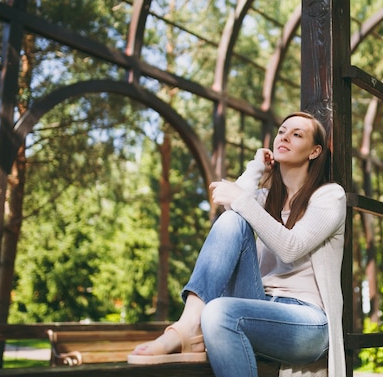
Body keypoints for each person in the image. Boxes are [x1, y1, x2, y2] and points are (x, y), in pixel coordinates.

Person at [128, 111, 347, 377]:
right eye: (282, 131)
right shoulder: (266, 199)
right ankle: (187, 325)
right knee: (233, 220)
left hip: (306, 322)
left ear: (314, 151)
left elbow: (291, 248)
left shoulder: (329, 196)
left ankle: (189, 329)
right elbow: (230, 213)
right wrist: (256, 167)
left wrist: (242, 201)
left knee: (218, 312)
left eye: (296, 134)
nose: (285, 137)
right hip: (259, 305)